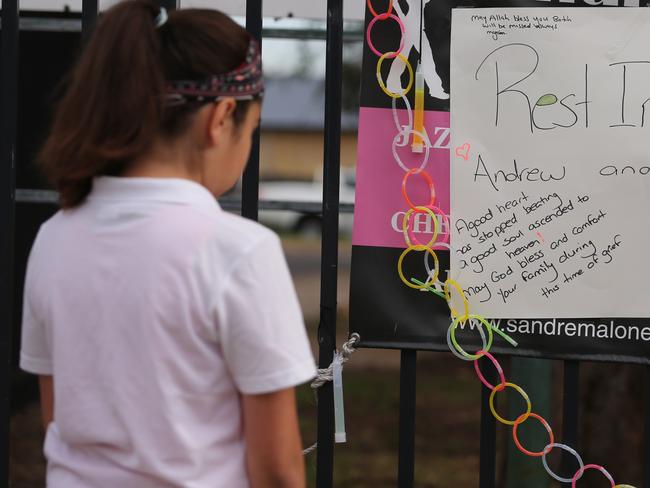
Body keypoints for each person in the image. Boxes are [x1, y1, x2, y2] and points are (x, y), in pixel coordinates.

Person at [19, 1, 316, 486]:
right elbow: (277, 469)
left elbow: (57, 420)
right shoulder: (239, 250)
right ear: (221, 118)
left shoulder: (54, 238)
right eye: (253, 131)